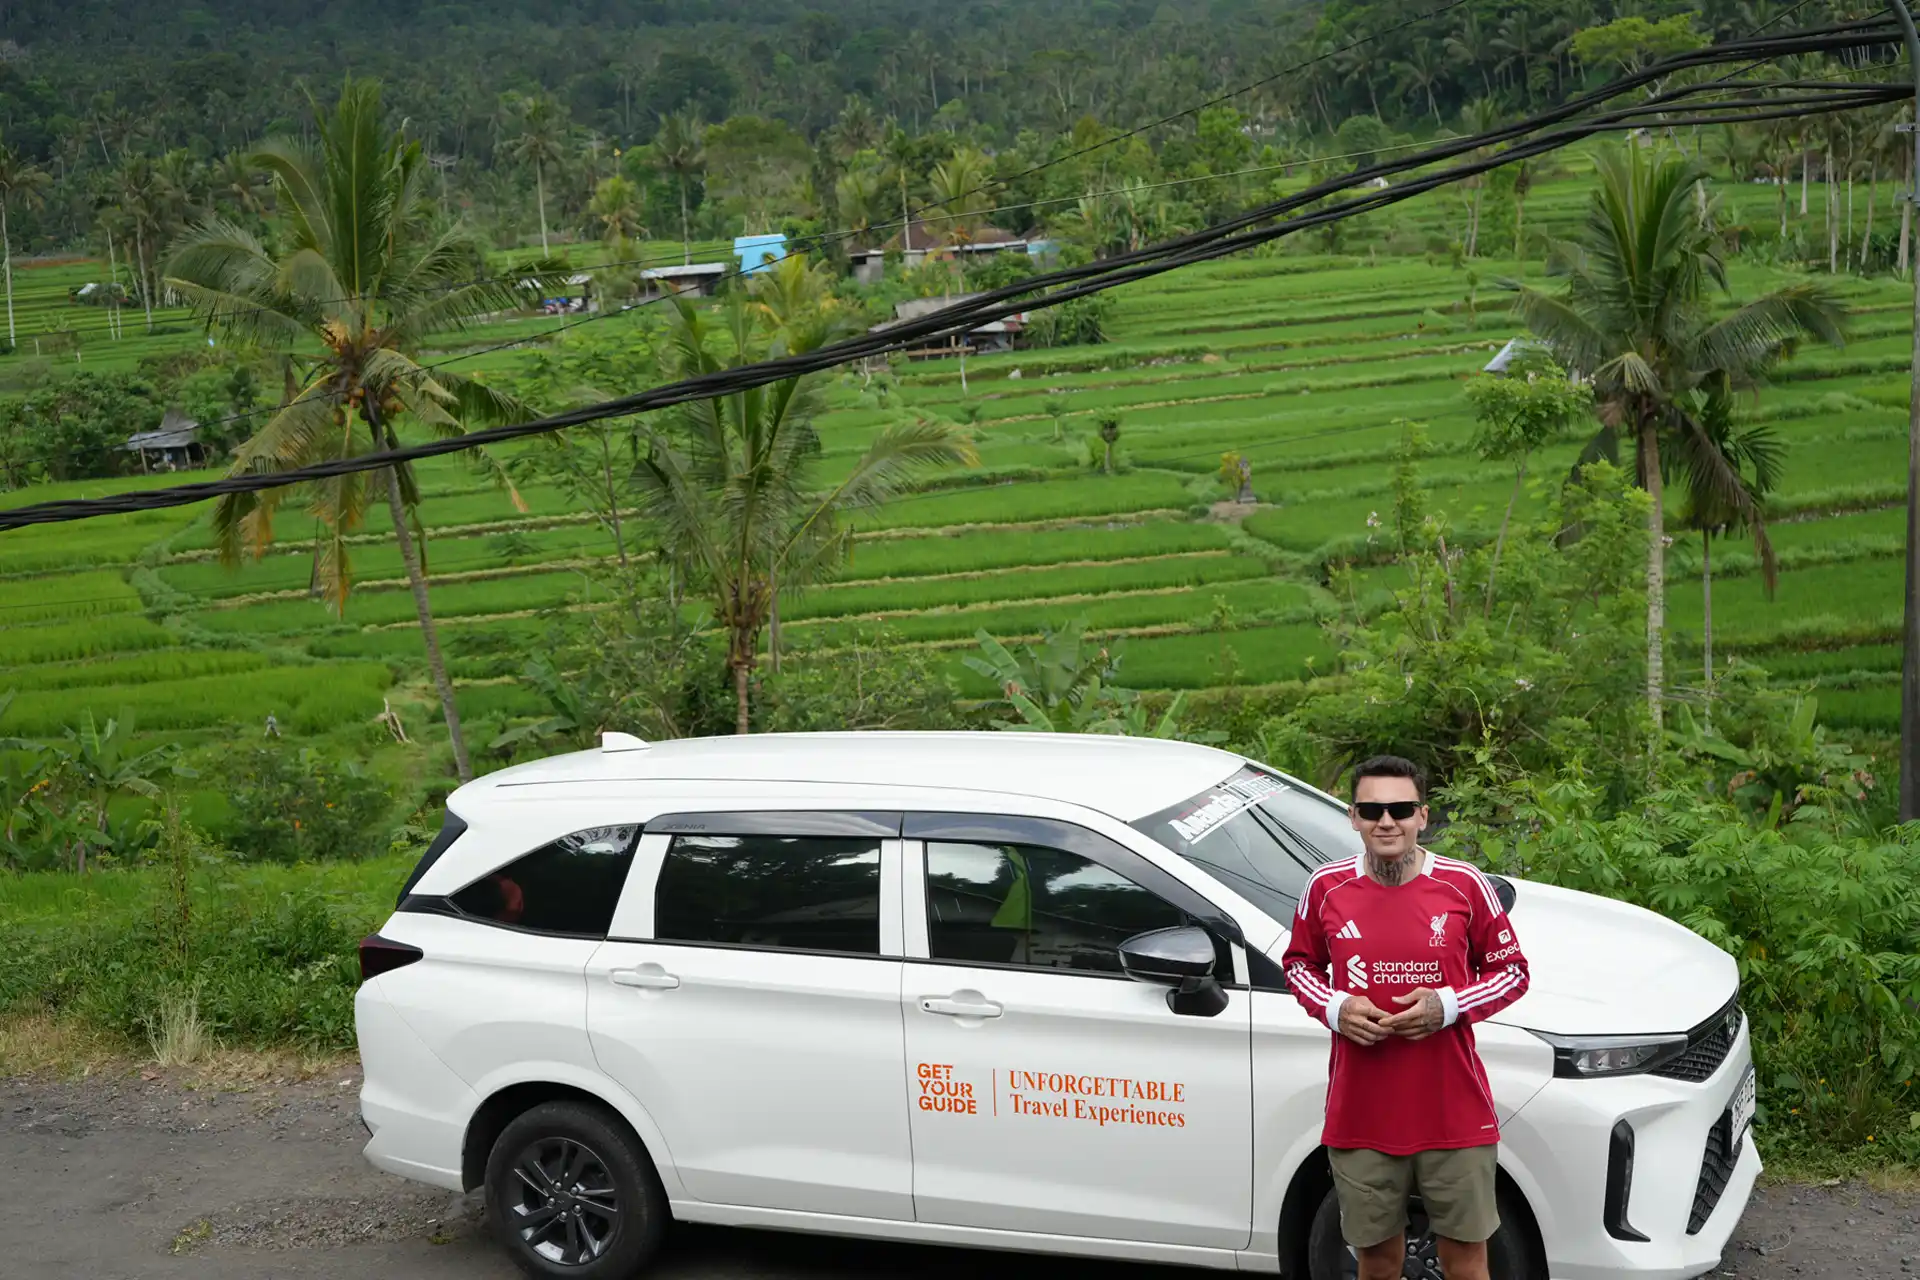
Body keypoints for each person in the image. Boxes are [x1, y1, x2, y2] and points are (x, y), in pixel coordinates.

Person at [1282, 755, 1530, 1280]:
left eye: (1399, 808)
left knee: (1466, 1259)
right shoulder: (1325, 888)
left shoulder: (1463, 885)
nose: (1386, 821)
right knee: (1377, 1261)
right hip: (1361, 1113)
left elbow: (1512, 972)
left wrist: (1449, 1006)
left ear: (1423, 816)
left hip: (1453, 1111)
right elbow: (1299, 966)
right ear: (1353, 817)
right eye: (1372, 809)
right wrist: (1336, 1008)